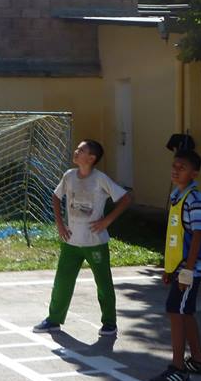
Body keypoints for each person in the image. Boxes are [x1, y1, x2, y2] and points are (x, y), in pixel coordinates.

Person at [33, 139, 133, 336]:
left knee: (103, 282)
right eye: (77, 149)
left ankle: (109, 323)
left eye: (81, 150)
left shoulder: (100, 179)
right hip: (71, 240)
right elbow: (56, 196)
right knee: (62, 281)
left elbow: (125, 199)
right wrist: (60, 224)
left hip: (94, 242)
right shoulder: (69, 176)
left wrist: (107, 221)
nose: (76, 152)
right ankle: (54, 319)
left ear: (91, 158)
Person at [150, 149, 201, 381]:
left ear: (194, 173)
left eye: (182, 167)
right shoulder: (178, 196)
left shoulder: (193, 199)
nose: (175, 170)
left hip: (190, 270)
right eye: (174, 166)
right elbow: (176, 238)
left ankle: (178, 368)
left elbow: (197, 235)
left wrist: (186, 271)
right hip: (179, 268)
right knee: (184, 313)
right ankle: (197, 361)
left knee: (176, 311)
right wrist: (169, 269)